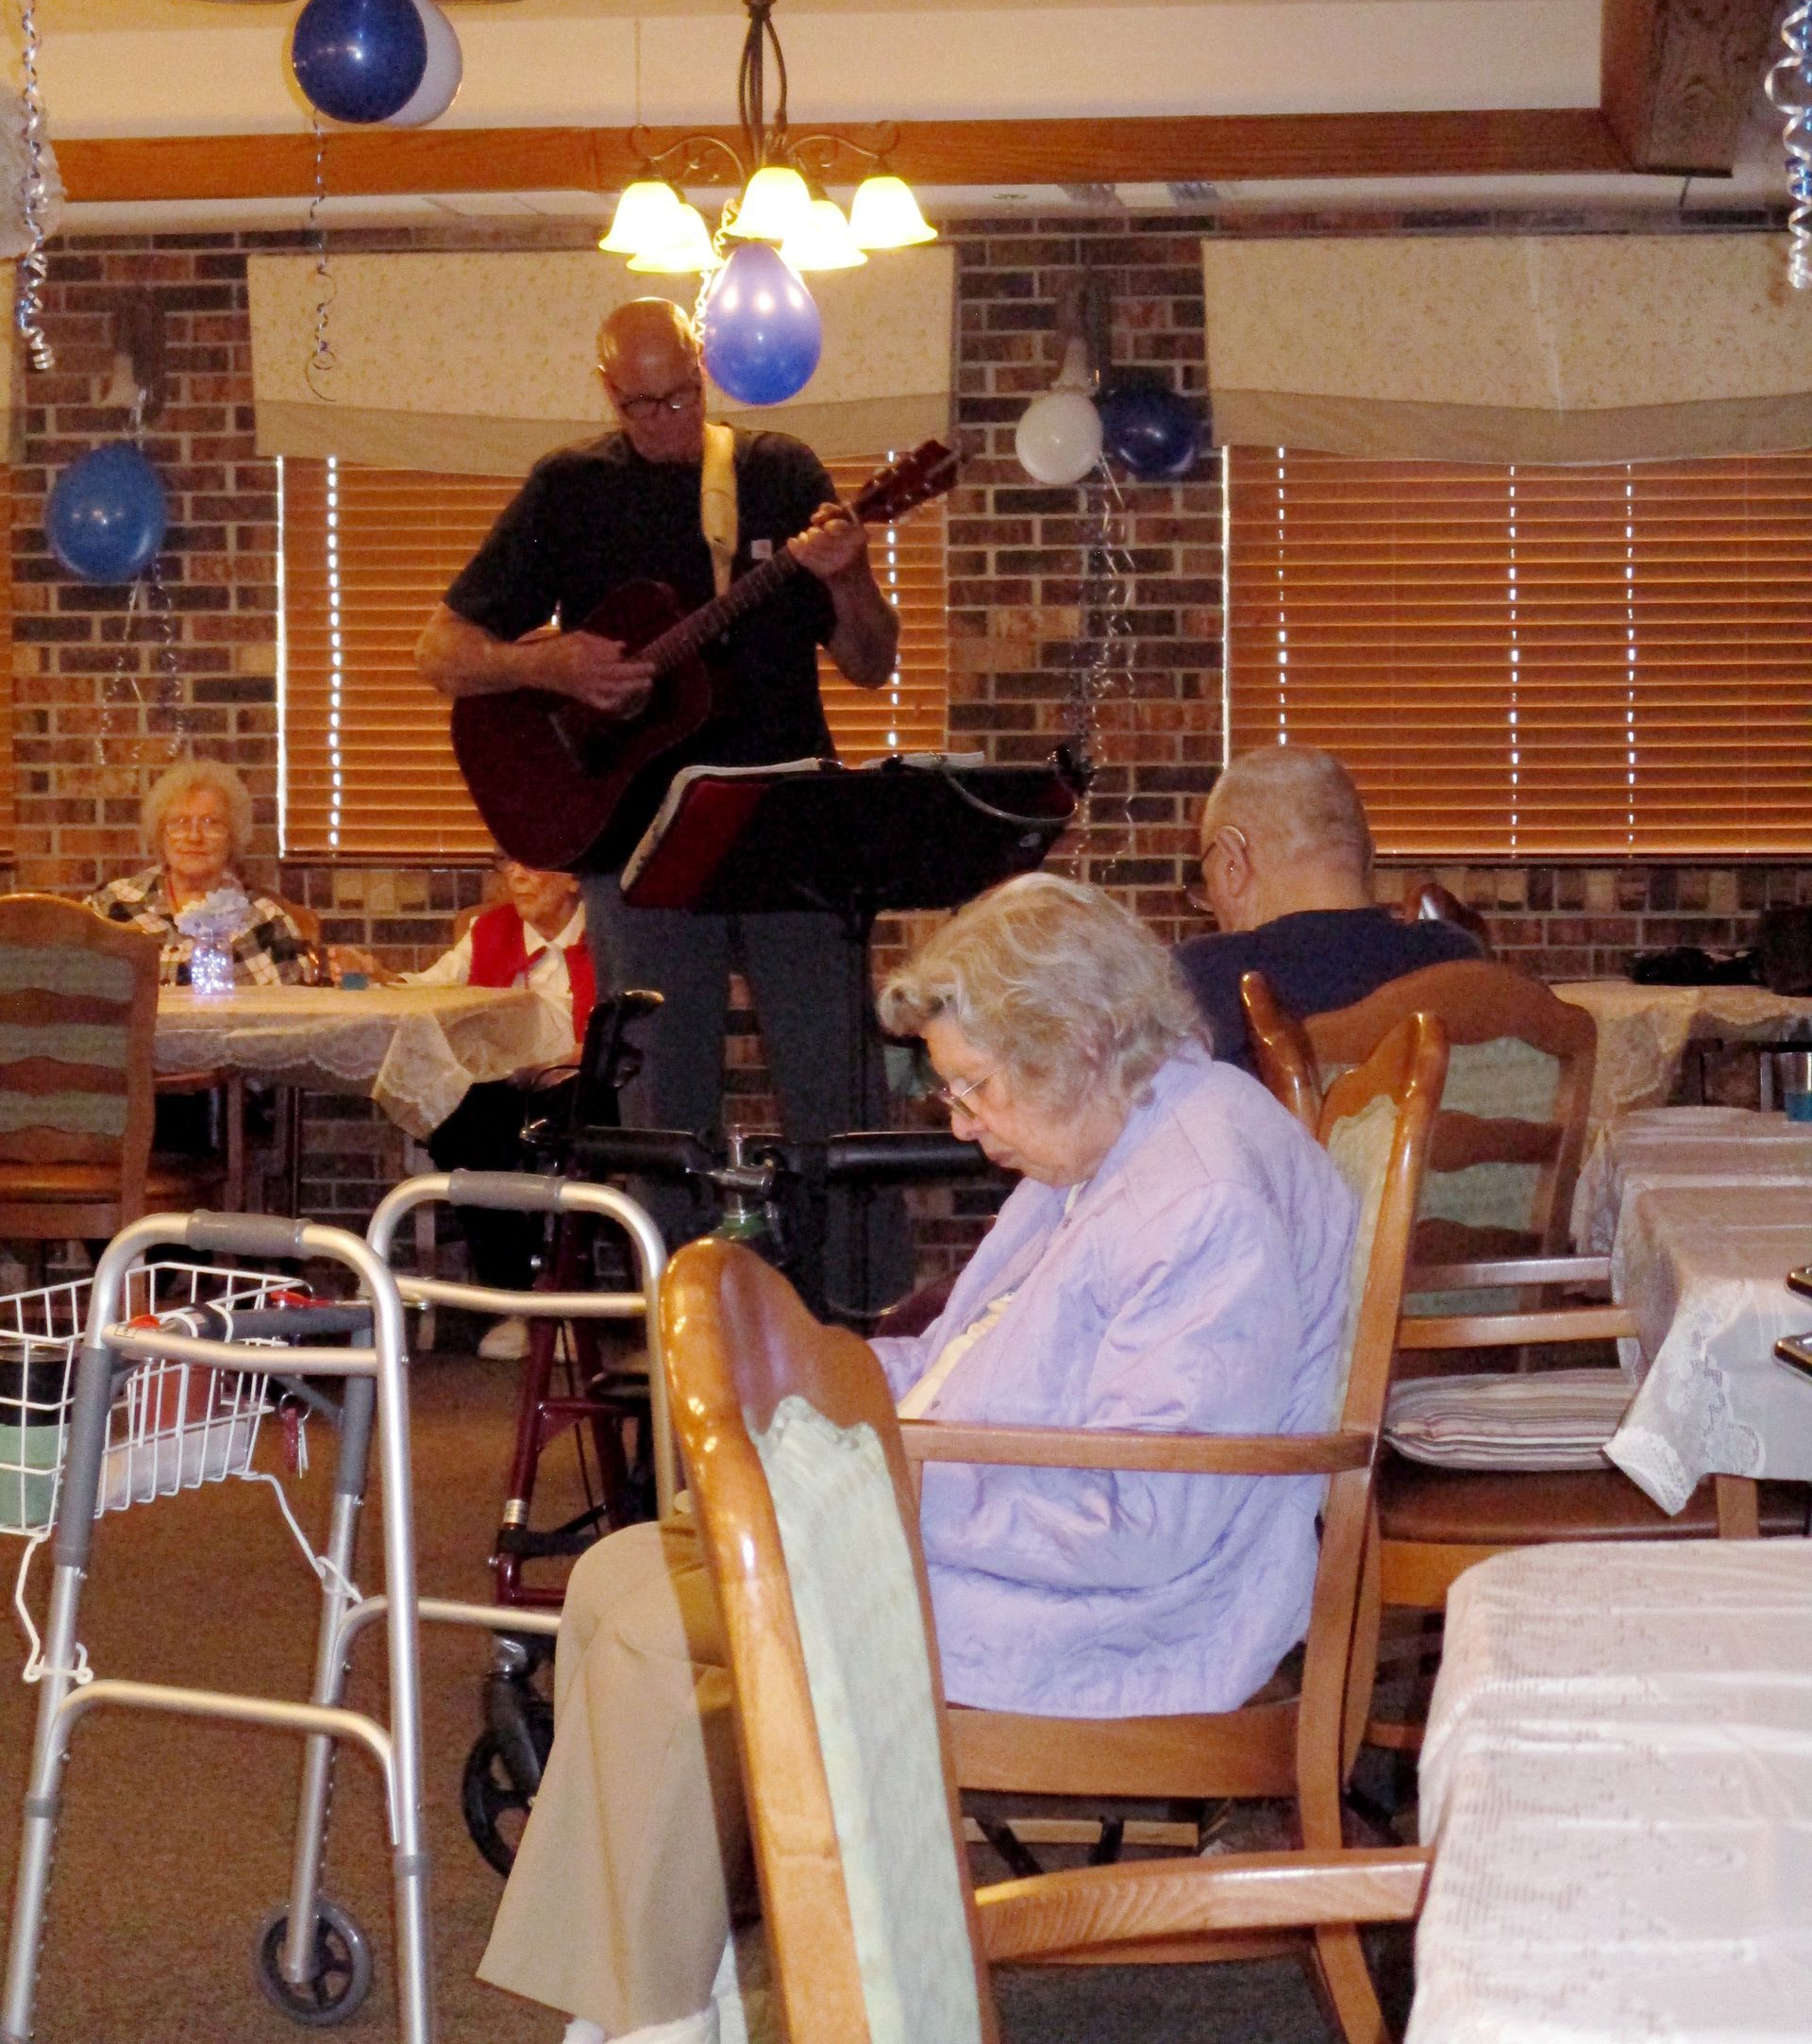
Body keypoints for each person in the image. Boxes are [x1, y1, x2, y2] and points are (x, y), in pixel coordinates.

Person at [478, 874, 1359, 2044]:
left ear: (1080, 1042)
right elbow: (957, 1361)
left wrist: (864, 1490)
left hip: (1136, 1610)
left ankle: (651, 2019)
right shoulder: (1114, 1134)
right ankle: (660, 1999)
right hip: (1019, 1535)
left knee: (658, 1631)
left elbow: (1147, 1520)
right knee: (614, 1574)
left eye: (975, 1086)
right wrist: (805, 1380)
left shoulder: (1198, 1198)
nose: (958, 1121)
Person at [414, 296, 903, 1306]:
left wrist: (851, 576)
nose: (666, 420)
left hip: (787, 829)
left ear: (704, 368)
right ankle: (681, 1337)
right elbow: (443, 652)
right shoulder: (570, 488)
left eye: (680, 395)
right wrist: (548, 666)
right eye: (641, 405)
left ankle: (864, 1329)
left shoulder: (778, 474)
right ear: (608, 392)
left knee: (840, 1095)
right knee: (662, 1115)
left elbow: (869, 661)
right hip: (636, 841)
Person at [333, 858, 594, 1361]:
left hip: (581, 1083)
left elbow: (625, 1033)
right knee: (458, 1125)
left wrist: (565, 1059)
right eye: (509, 865)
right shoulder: (490, 931)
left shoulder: (606, 937)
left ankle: (563, 1303)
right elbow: (432, 989)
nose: (516, 876)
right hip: (504, 1085)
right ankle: (515, 1298)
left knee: (572, 1136)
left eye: (531, 864)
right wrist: (378, 976)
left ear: (573, 877)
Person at [1175, 746, 1484, 1077]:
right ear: (1368, 856)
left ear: (1232, 864)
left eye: (1207, 878)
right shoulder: (1459, 960)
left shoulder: (1198, 982)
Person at [88, 759, 310, 986]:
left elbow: (299, 1006)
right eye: (180, 822)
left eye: (211, 823)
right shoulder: (112, 907)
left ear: (232, 836)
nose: (194, 837)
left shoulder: (266, 922)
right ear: (160, 833)